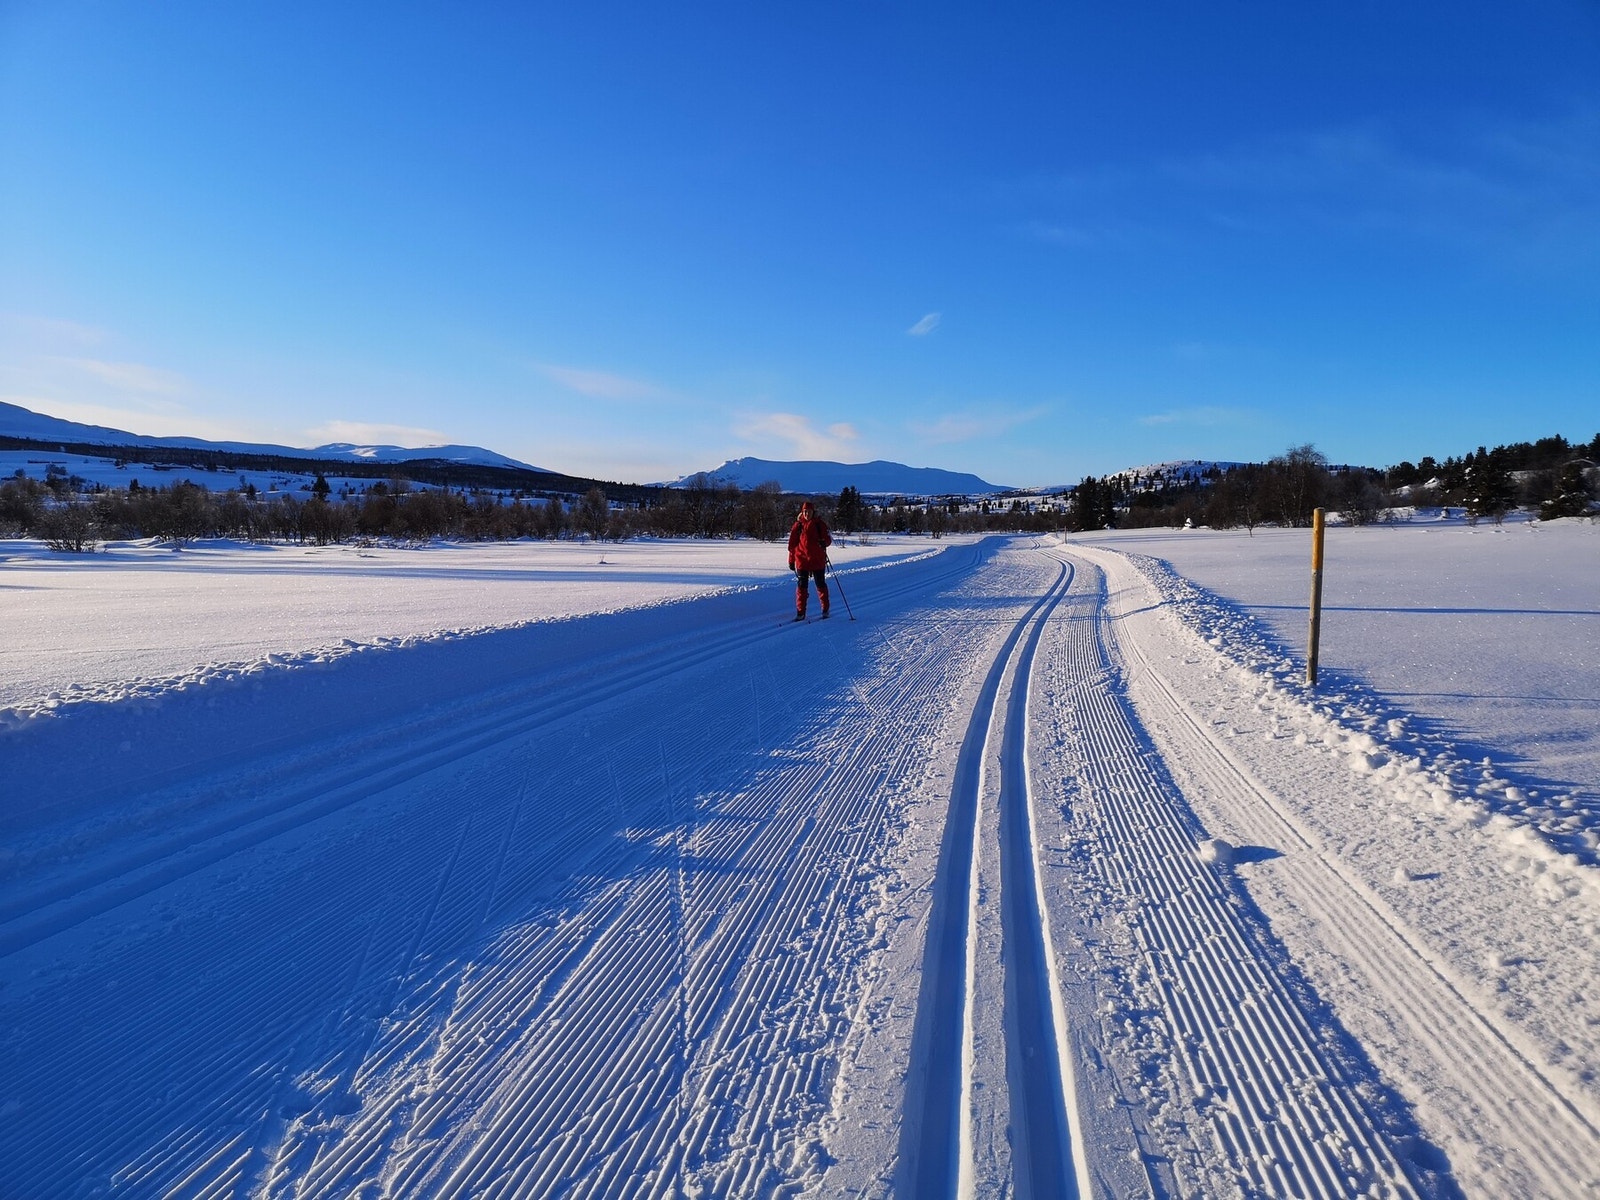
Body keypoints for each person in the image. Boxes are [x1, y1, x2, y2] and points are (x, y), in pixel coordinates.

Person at [787, 499, 832, 620]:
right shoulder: (798, 526)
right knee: (802, 587)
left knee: (820, 585)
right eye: (805, 511)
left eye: (809, 511)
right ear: (802, 512)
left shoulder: (820, 524)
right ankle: (800, 612)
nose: (807, 514)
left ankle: (825, 609)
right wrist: (791, 560)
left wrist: (824, 542)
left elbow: (828, 539)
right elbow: (792, 545)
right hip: (802, 560)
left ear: (813, 512)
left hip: (817, 560)